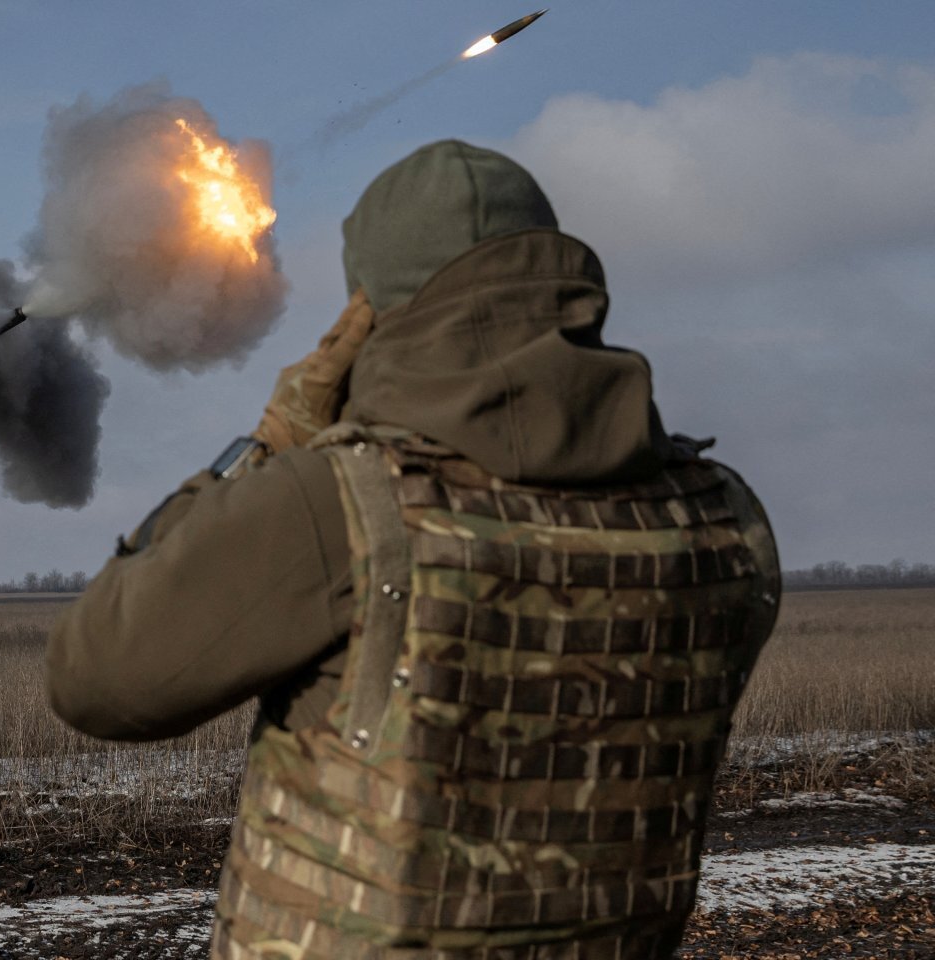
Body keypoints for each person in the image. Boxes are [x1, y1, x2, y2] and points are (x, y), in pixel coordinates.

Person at [45, 140, 782, 959]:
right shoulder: (722, 518)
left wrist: (268, 445)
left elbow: (94, 677)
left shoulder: (338, 501)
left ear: (368, 313)